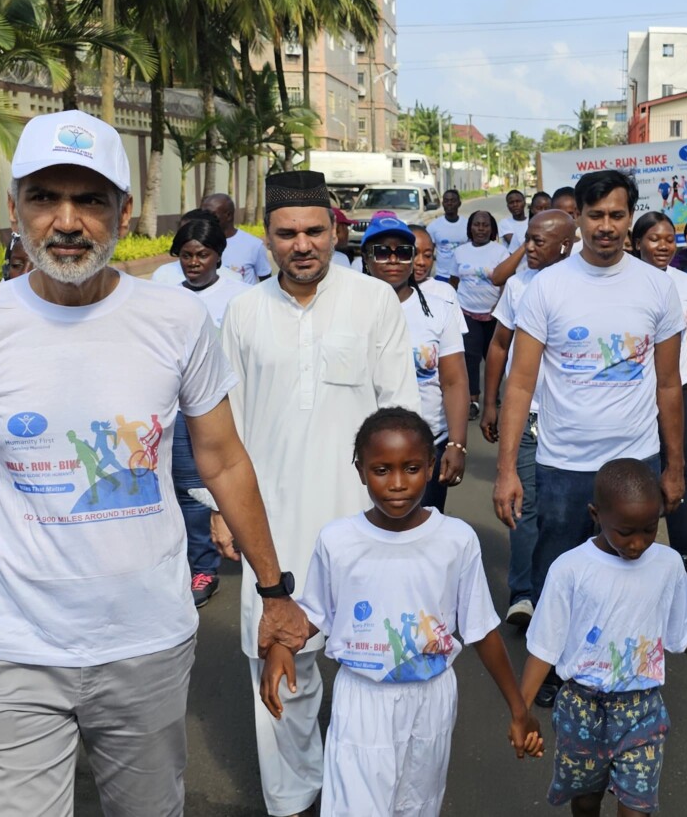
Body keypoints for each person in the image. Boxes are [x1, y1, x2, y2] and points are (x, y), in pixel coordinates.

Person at [0, 110, 308, 817]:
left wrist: (275, 592)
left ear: (122, 210)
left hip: (146, 641)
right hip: (6, 648)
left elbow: (223, 460)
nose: (66, 221)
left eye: (89, 200)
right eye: (44, 197)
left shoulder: (176, 322)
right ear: (15, 210)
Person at [219, 168, 419, 817]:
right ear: (266, 238)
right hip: (272, 528)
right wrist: (226, 514)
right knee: (283, 673)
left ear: (336, 228)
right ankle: (293, 801)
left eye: (313, 230)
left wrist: (403, 516)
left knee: (372, 674)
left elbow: (401, 412)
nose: (301, 244)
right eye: (286, 234)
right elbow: (230, 426)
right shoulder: (244, 312)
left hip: (365, 525)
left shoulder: (373, 302)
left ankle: (365, 798)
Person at [261, 407, 542, 816]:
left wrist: (518, 708)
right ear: (360, 470)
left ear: (430, 467)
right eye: (381, 469)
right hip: (362, 700)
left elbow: (481, 631)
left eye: (411, 468)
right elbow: (314, 614)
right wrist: (281, 648)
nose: (397, 484)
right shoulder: (338, 540)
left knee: (417, 805)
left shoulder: (456, 540)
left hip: (432, 701)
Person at [494, 170, 685, 709]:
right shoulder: (547, 287)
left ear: (630, 219)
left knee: (629, 570)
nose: (606, 227)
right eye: (595, 215)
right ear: (576, 217)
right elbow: (521, 384)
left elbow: (669, 384)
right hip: (562, 464)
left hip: (637, 459)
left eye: (617, 216)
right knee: (559, 575)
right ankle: (554, 669)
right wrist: (508, 469)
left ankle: (622, 671)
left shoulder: (657, 286)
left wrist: (674, 467)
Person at [519, 458, 687, 817]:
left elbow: (683, 633)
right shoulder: (570, 569)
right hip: (581, 708)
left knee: (637, 807)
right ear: (595, 514)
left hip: (641, 710)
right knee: (585, 799)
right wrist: (520, 710)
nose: (637, 544)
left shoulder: (667, 565)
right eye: (625, 532)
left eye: (649, 529)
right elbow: (544, 647)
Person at [480, 210, 578, 628]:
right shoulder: (518, 286)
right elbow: (499, 346)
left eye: (539, 241)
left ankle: (564, 592)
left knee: (568, 513)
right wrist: (490, 403)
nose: (530, 249)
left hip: (573, 423)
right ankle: (523, 594)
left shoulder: (585, 286)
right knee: (525, 506)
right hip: (528, 418)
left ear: (567, 246)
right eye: (528, 240)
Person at [156, 211, 252, 607]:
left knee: (205, 489)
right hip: (170, 408)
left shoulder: (240, 294)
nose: (194, 263)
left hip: (218, 407)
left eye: (203, 255)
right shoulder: (162, 288)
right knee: (175, 489)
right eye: (187, 255)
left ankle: (206, 567)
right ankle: (184, 563)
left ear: (220, 255)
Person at [630, 211, 687, 588]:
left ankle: (683, 558)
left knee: (679, 472)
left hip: (679, 388)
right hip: (633, 391)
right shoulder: (623, 283)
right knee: (632, 474)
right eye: (654, 239)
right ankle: (630, 553)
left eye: (670, 239)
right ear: (636, 243)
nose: (664, 246)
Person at [362, 217, 470, 513]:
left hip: (427, 445)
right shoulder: (345, 312)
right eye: (383, 251)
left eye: (404, 251)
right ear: (366, 258)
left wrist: (457, 445)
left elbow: (454, 381)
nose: (393, 259)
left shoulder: (440, 310)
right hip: (362, 450)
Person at [451, 209, 511, 419]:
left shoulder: (500, 252)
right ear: (470, 228)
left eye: (485, 225)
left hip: (494, 315)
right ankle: (473, 400)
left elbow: (506, 282)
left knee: (494, 359)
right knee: (470, 357)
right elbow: (455, 280)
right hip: (467, 312)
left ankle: (493, 398)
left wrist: (499, 307)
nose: (481, 229)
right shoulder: (460, 252)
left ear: (492, 228)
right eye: (477, 224)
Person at [203, 192, 271, 283]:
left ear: (228, 215)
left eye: (211, 214)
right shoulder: (200, 243)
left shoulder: (254, 245)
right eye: (203, 214)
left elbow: (267, 282)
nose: (205, 219)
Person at [426, 189, 468, 279]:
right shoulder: (433, 226)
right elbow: (427, 254)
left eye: (453, 200)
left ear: (459, 203)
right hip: (442, 276)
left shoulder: (468, 225)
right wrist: (426, 277)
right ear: (443, 203)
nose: (449, 203)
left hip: (463, 276)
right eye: (446, 201)